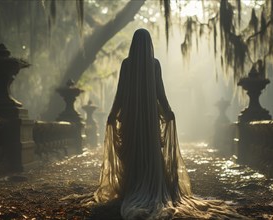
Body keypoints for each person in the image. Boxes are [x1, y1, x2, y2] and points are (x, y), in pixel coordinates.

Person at [92, 28, 246, 219]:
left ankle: (132, 188)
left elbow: (121, 94)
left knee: (133, 152)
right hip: (149, 122)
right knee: (149, 151)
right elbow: (160, 93)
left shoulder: (127, 64)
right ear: (149, 45)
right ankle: (144, 188)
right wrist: (168, 111)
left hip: (131, 119)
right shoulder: (154, 64)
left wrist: (113, 113)